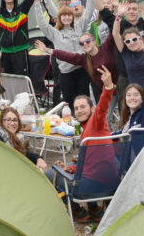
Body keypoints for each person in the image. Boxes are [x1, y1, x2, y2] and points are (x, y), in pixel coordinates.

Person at [45, 65, 116, 224]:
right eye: (76, 108)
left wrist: (108, 86)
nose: (79, 111)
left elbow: (103, 106)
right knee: (72, 164)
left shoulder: (97, 122)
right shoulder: (89, 128)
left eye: (83, 107)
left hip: (90, 188)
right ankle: (95, 210)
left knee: (49, 173)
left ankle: (78, 211)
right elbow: (89, 163)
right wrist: (69, 168)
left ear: (92, 108)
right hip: (109, 184)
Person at [31, 0, 96, 104]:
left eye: (69, 15)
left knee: (84, 102)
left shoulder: (79, 27)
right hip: (66, 73)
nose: (66, 18)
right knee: (70, 104)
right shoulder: (54, 32)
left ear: (72, 17)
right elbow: (42, 23)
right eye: (63, 16)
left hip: (82, 70)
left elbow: (89, 11)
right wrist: (37, 3)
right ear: (59, 18)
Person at [0, 107, 47, 172]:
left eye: (15, 120)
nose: (12, 123)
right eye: (8, 120)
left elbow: (24, 153)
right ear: (2, 121)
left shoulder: (13, 137)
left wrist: (38, 158)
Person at [118, 44, 144, 133]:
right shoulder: (129, 120)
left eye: (136, 95)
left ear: (142, 99)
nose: (132, 98)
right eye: (129, 95)